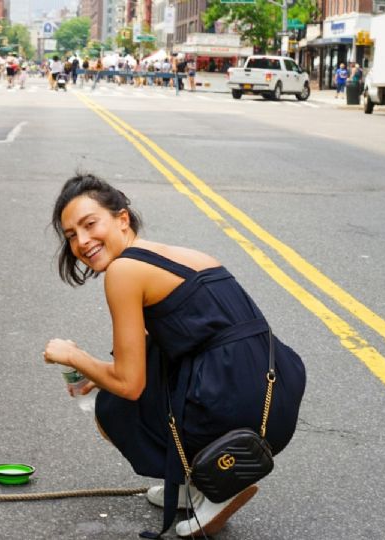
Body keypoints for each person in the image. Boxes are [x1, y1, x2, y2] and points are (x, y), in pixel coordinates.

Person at [43, 174, 306, 538]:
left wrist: (73, 356)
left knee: (113, 408)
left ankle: (220, 480)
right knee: (134, 383)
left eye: (90, 224)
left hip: (239, 408)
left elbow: (130, 385)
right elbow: (156, 360)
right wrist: (100, 370)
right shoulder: (179, 255)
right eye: (71, 235)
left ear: (122, 219)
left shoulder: (123, 271)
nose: (82, 241)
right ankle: (196, 481)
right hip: (274, 396)